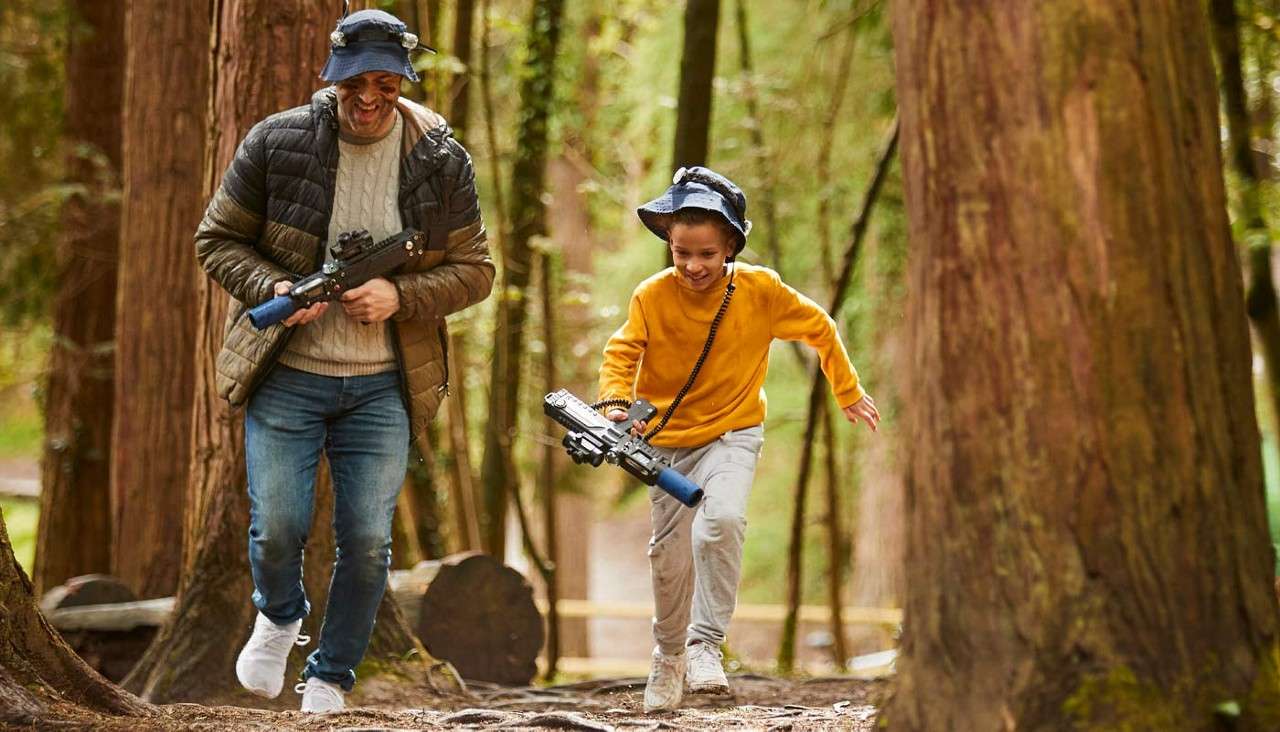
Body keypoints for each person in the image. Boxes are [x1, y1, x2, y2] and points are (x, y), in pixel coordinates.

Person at [193, 8, 493, 713]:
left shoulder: (441, 159)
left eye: (385, 85)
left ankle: (329, 676)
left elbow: (477, 272)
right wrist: (272, 288)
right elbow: (217, 240)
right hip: (287, 375)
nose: (368, 99)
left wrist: (401, 293)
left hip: (383, 385)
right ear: (331, 77)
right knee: (278, 527)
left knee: (365, 541)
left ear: (402, 83)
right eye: (355, 82)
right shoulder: (277, 140)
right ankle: (281, 614)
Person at [597, 166, 880, 712]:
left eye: (707, 253)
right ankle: (668, 654)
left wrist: (846, 391)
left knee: (722, 521)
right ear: (670, 246)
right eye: (682, 253)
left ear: (730, 246)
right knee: (669, 555)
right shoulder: (651, 296)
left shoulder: (760, 290)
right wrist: (614, 406)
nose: (694, 265)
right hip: (664, 444)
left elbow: (821, 327)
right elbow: (621, 353)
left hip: (733, 432)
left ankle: (706, 645)